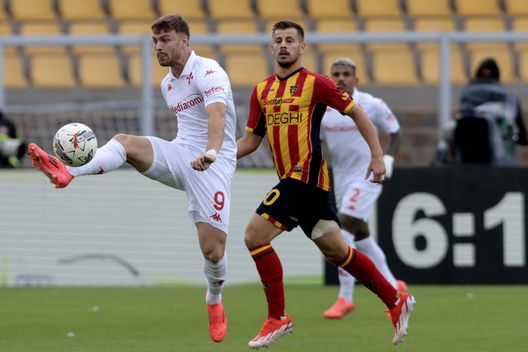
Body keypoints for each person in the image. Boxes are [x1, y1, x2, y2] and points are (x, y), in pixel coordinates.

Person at [27, 14, 235, 343]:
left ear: (184, 41)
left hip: (215, 162)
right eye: (154, 41)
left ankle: (214, 299)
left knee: (213, 251)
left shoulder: (209, 71)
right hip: (181, 154)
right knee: (125, 142)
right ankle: (68, 171)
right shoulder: (168, 84)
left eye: (165, 39)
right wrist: (191, 152)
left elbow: (217, 114)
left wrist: (211, 151)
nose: (158, 47)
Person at [236, 21, 415, 349]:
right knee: (339, 252)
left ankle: (278, 317)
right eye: (278, 40)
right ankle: (395, 300)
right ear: (271, 47)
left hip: (304, 178)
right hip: (304, 187)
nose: (284, 45)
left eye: (291, 40)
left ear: (302, 47)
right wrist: (219, 157)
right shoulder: (261, 90)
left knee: (253, 236)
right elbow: (251, 140)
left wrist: (377, 156)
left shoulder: (316, 84)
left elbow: (357, 112)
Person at [320, 58, 407, 319]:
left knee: (343, 229)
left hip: (368, 176)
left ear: (356, 80)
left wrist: (387, 159)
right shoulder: (324, 109)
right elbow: (319, 142)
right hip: (342, 179)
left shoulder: (371, 104)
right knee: (362, 237)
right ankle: (394, 286)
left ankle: (345, 297)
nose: (341, 78)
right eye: (336, 74)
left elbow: (395, 132)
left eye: (347, 74)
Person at [453, 57, 528, 164]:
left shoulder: (466, 96)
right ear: (497, 76)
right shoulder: (509, 98)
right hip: (500, 164)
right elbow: (522, 138)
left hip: (466, 163)